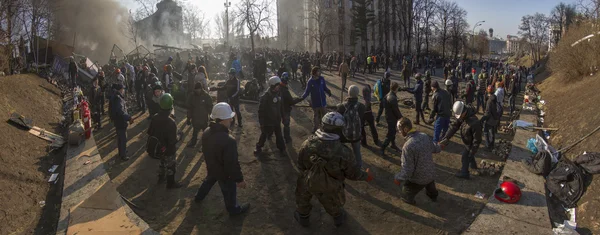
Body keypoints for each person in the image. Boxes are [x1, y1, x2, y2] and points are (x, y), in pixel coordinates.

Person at [294, 112, 374, 228]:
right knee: (333, 204)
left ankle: (303, 218)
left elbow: (300, 165)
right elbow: (353, 174)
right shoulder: (343, 152)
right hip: (331, 186)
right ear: (339, 130)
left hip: (308, 181)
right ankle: (338, 220)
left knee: (303, 199)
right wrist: (366, 176)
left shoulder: (307, 144)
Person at [194, 103, 251, 215]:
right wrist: (239, 180)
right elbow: (232, 164)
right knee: (229, 192)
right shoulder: (229, 141)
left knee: (208, 181)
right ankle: (234, 210)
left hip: (212, 167)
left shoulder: (206, 131)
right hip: (225, 175)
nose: (231, 119)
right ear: (224, 119)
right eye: (229, 117)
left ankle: (198, 197)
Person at [393, 117, 440, 205]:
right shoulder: (424, 135)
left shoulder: (408, 146)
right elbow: (435, 148)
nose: (399, 132)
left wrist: (398, 177)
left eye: (400, 130)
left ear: (406, 129)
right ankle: (433, 196)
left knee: (405, 194)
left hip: (418, 178)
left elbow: (407, 171)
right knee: (429, 183)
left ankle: (409, 200)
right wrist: (440, 146)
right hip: (430, 173)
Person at [439, 101, 482, 179]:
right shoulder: (463, 116)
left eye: (460, 115)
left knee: (465, 156)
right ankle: (474, 167)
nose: (459, 117)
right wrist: (446, 137)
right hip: (467, 140)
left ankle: (464, 173)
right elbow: (454, 126)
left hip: (471, 143)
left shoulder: (475, 123)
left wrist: (473, 151)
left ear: (464, 111)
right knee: (469, 156)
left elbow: (477, 140)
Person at [147, 94, 182, 188]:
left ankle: (161, 178)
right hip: (169, 150)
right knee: (171, 166)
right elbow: (172, 141)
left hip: (158, 148)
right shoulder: (171, 122)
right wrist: (179, 136)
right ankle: (170, 183)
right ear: (171, 106)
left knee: (162, 163)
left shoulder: (154, 117)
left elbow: (149, 132)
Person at [255, 76, 286, 156]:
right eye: (277, 86)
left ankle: (282, 148)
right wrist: (262, 123)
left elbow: (281, 107)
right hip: (268, 121)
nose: (278, 87)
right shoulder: (265, 97)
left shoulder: (278, 94)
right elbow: (261, 111)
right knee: (264, 134)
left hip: (276, 120)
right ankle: (258, 147)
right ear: (272, 86)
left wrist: (283, 117)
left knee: (279, 135)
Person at [336, 85, 366, 167]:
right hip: (356, 134)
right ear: (357, 94)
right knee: (357, 153)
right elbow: (362, 120)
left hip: (343, 135)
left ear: (348, 93)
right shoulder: (362, 107)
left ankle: (341, 166)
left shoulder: (341, 106)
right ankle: (359, 168)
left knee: (340, 152)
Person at [296, 67, 332, 133]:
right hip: (315, 102)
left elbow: (324, 87)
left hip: (323, 101)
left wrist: (328, 91)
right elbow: (307, 92)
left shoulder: (322, 79)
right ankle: (315, 128)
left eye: (320, 71)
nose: (320, 72)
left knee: (325, 115)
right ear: (314, 72)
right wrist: (302, 97)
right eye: (318, 71)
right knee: (316, 116)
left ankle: (326, 128)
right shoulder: (310, 81)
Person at [109, 84, 134, 161]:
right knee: (123, 138)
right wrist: (129, 118)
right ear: (120, 90)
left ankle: (121, 151)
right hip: (121, 121)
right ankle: (123, 155)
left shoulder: (114, 96)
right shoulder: (118, 99)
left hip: (117, 121)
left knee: (120, 138)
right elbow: (121, 111)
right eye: (123, 89)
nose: (124, 90)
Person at [186, 83, 213, 148]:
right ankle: (193, 143)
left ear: (201, 88)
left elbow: (210, 107)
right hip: (195, 119)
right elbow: (189, 108)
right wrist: (188, 118)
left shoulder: (206, 96)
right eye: (196, 89)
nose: (197, 91)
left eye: (198, 89)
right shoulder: (192, 96)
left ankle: (208, 145)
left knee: (206, 133)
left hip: (204, 119)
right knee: (195, 132)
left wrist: (211, 117)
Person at [381, 82, 403, 155]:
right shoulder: (392, 98)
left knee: (392, 131)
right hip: (391, 118)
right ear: (396, 88)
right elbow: (396, 110)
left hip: (389, 116)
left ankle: (393, 144)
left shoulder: (389, 95)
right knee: (391, 133)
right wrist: (401, 118)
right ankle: (383, 147)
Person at [279, 72, 299, 143]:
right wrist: (299, 99)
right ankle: (287, 138)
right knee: (286, 125)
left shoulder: (277, 87)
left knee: (275, 123)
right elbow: (291, 101)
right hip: (285, 110)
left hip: (276, 109)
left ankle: (269, 135)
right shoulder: (285, 91)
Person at [480, 85, 500, 150]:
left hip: (490, 120)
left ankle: (488, 146)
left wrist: (482, 119)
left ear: (488, 91)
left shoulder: (489, 101)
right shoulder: (494, 98)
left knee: (486, 132)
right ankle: (492, 145)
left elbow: (487, 113)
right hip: (495, 118)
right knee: (492, 132)